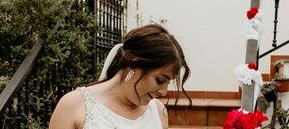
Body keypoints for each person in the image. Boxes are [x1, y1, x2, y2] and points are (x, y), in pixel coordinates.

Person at [49, 24, 190, 129]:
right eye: (160, 80)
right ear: (134, 65)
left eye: (168, 83)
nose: (163, 91)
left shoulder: (159, 111)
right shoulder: (73, 105)